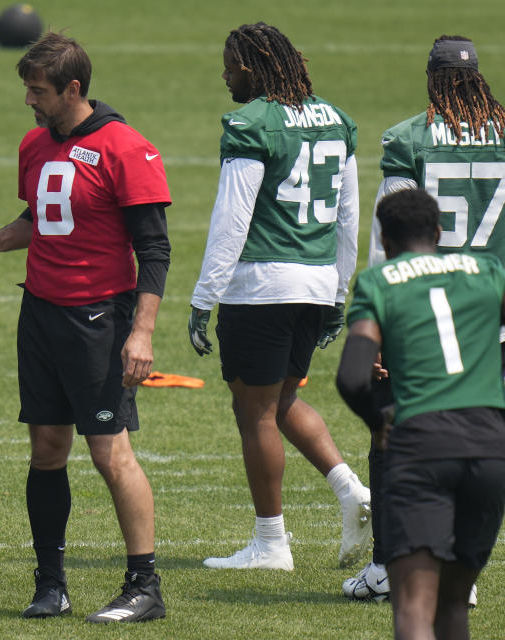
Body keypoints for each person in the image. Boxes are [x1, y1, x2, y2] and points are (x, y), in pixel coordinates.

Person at [0, 32, 170, 623]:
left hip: (100, 319)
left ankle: (145, 586)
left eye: (38, 91)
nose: (29, 101)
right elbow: (44, 216)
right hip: (42, 314)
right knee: (47, 449)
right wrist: (1, 238)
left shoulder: (126, 148)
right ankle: (50, 584)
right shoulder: (35, 144)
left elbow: (154, 250)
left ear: (73, 89)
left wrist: (143, 332)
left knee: (110, 453)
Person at [188, 22, 370, 571]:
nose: (224, 74)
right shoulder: (337, 120)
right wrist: (338, 291)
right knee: (281, 401)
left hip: (263, 287)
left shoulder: (251, 123)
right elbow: (348, 217)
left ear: (252, 65)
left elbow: (231, 219)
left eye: (230, 65)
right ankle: (352, 492)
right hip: (314, 284)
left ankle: (271, 545)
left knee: (256, 414)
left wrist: (204, 296)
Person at [345, 35, 505, 604]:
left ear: (432, 80)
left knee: (397, 435)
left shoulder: (409, 136)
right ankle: (466, 570)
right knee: (483, 438)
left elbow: (387, 232)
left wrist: (380, 317)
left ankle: (391, 565)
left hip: (423, 307)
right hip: (491, 310)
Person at [336, 188, 505, 640]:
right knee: (454, 604)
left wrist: (381, 422)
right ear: (437, 232)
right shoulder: (488, 270)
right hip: (489, 449)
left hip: (420, 445)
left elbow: (352, 379)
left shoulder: (380, 281)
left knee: (412, 607)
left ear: (385, 242)